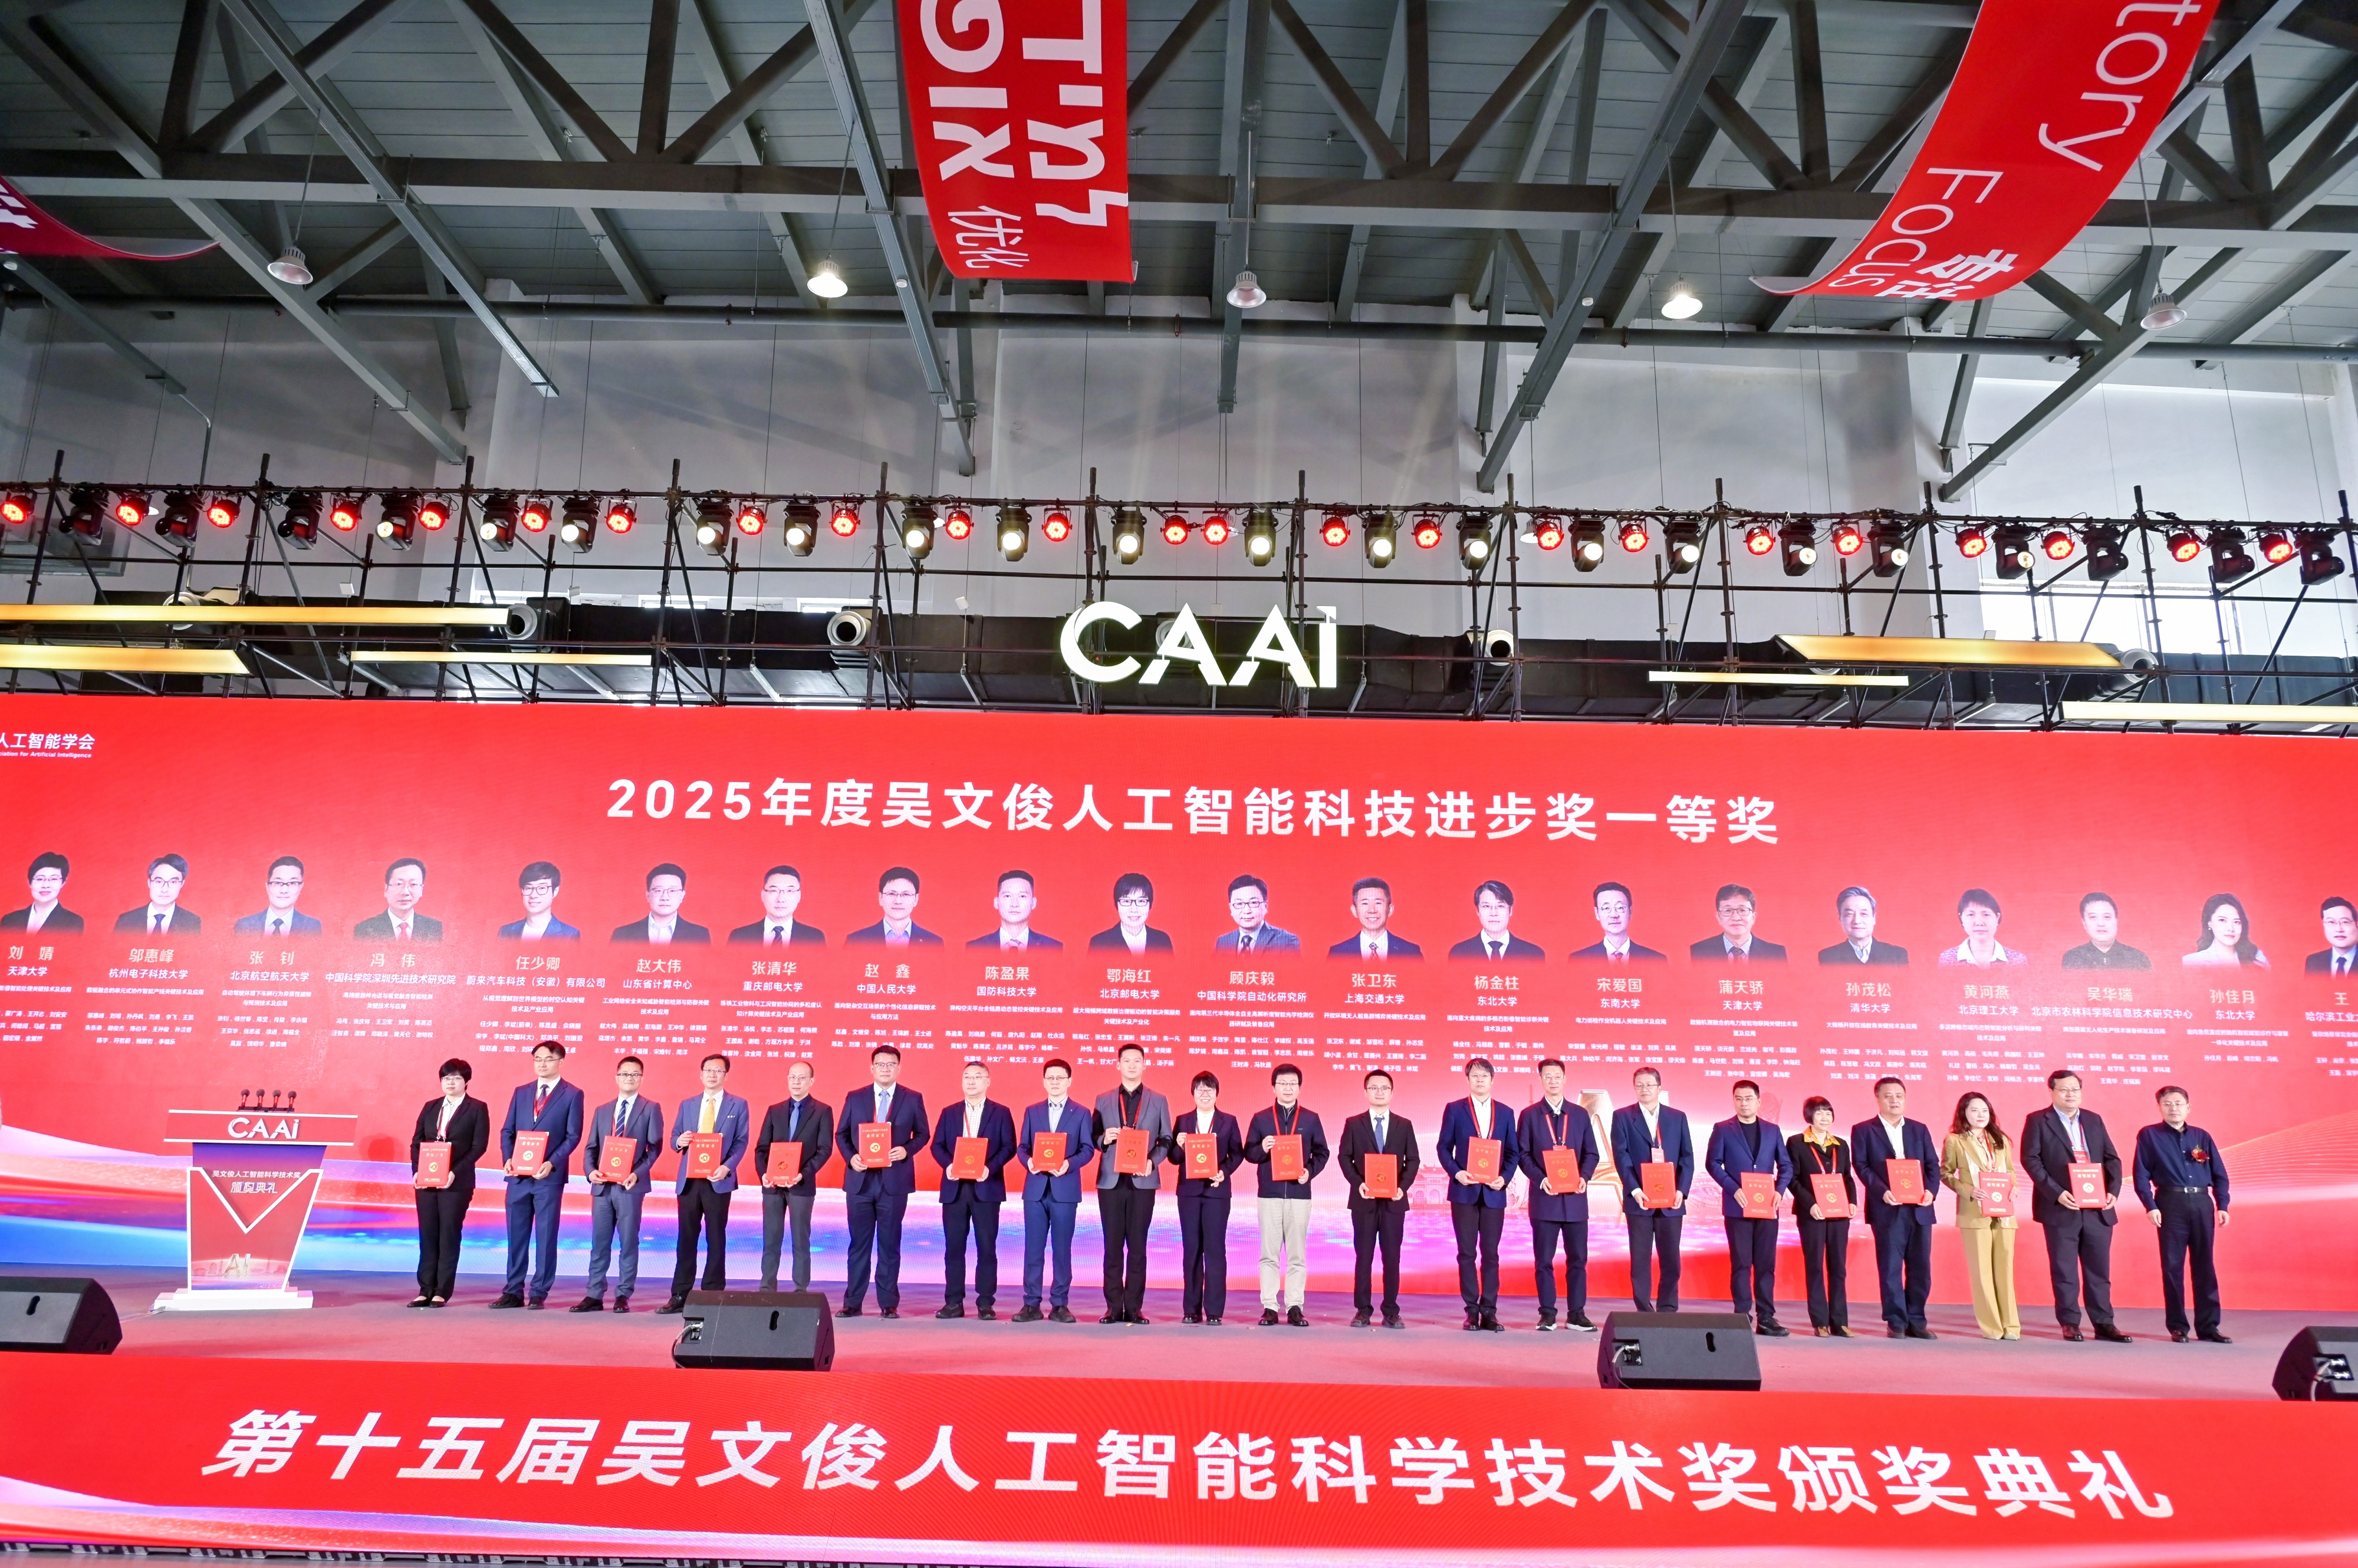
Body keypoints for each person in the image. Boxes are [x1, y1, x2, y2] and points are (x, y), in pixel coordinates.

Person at [2019, 1068, 2128, 1342]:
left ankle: (2104, 1324)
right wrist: (2056, 1193)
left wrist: (2113, 1191)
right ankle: (2070, 1323)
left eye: (2075, 1089)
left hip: (2098, 1208)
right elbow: (2031, 1160)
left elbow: (2112, 1159)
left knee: (2099, 1271)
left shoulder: (2093, 1120)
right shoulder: (2038, 1120)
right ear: (2052, 1092)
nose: (2071, 1094)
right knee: (2064, 1270)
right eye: (2064, 1089)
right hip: (2061, 1207)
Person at [2133, 1084, 2232, 1344]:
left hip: (2201, 1202)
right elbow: (2141, 1175)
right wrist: (2150, 1205)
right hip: (2170, 1202)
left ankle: (2209, 1327)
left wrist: (2222, 1205)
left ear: (2188, 1107)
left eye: (2178, 1104)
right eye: (2167, 1104)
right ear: (2159, 1107)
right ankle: (2178, 1326)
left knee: (2205, 1265)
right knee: (2172, 1266)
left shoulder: (2202, 1136)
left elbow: (2220, 1175)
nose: (2173, 1108)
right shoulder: (2149, 1135)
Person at [835, 1045, 928, 1316]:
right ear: (872, 1068)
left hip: (894, 1183)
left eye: (891, 1064)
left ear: (899, 1068)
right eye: (880, 1064)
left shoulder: (912, 1098)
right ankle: (853, 1303)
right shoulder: (856, 1097)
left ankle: (888, 1303)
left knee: (889, 1244)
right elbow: (841, 1134)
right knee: (859, 1244)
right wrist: (851, 1158)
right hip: (861, 1181)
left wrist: (907, 1150)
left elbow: (923, 1134)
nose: (885, 1068)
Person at [494, 1040, 584, 1309]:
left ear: (561, 1062)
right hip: (518, 1177)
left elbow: (573, 1136)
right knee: (516, 1235)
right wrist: (508, 1158)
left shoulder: (572, 1094)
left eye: (548, 1059)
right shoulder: (521, 1092)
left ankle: (539, 1291)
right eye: (538, 1059)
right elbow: (507, 1131)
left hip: (548, 1177)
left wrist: (552, 1163)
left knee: (546, 1236)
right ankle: (513, 1291)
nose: (542, 1064)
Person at [658, 1053, 751, 1312]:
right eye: (708, 1070)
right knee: (686, 1238)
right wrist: (680, 1141)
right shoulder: (688, 1104)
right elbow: (674, 1137)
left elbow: (741, 1141)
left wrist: (726, 1168)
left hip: (718, 1179)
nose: (712, 1074)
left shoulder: (738, 1105)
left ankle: (712, 1294)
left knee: (716, 1237)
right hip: (689, 1180)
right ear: (701, 1074)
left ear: (726, 1076)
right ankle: (680, 1295)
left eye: (718, 1070)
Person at [572, 1056, 663, 1313]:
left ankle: (623, 1294)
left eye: (634, 1075)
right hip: (602, 1186)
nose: (629, 1079)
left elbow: (654, 1148)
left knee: (628, 1242)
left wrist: (637, 1173)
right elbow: (591, 1147)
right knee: (599, 1242)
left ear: (641, 1078)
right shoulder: (602, 1110)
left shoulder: (651, 1108)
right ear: (617, 1077)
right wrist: (590, 1172)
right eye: (625, 1074)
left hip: (630, 1186)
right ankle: (594, 1294)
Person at [1092, 1043, 1173, 1323]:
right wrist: (1105, 1139)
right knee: (1112, 1246)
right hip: (1111, 1182)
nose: (1132, 1065)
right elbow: (1093, 1137)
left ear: (1144, 1065)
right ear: (1118, 1065)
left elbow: (1166, 1139)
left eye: (1137, 1061)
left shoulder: (1158, 1100)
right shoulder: (1103, 1100)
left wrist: (1152, 1161)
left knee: (1138, 1247)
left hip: (1143, 1181)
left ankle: (1135, 1307)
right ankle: (1114, 1307)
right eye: (1126, 1061)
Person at [1853, 1076, 1939, 1338]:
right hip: (1887, 1208)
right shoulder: (1863, 1130)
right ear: (1877, 1099)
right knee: (1890, 1267)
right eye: (1888, 1096)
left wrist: (1931, 1192)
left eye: (1899, 1095)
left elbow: (1932, 1165)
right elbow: (1862, 1166)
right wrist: (1883, 1191)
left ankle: (1917, 1320)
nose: (1894, 1100)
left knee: (1921, 1267)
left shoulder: (1919, 1129)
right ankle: (1896, 1320)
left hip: (1920, 1208)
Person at [1518, 1058, 1600, 1330]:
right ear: (1541, 1079)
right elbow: (1523, 1155)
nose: (1553, 1081)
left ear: (1565, 1079)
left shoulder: (1579, 1114)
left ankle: (1577, 1314)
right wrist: (1541, 1180)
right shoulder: (1530, 1115)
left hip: (1575, 1200)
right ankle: (1547, 1314)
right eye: (1548, 1076)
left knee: (1578, 1260)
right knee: (1544, 1261)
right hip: (1545, 1199)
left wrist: (1584, 1177)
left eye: (1557, 1076)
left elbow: (1592, 1153)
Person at [1706, 1079, 1793, 1336]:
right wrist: (1734, 1189)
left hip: (1767, 1207)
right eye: (1739, 1099)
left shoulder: (1772, 1130)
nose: (1744, 1103)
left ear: (1758, 1101)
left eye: (1749, 1098)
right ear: (1734, 1101)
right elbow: (1713, 1164)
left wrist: (1779, 1190)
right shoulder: (1723, 1129)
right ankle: (1742, 1315)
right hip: (1738, 1207)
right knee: (1741, 1263)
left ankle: (1767, 1318)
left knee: (1766, 1264)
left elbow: (1786, 1165)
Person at [1244, 1062, 1328, 1325]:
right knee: (1268, 1254)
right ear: (1274, 1087)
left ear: (1299, 1088)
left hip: (1299, 1194)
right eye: (1283, 1083)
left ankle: (1294, 1306)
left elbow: (1322, 1153)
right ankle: (1270, 1307)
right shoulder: (1261, 1118)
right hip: (1269, 1195)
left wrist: (1309, 1172)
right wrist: (1263, 1148)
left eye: (1293, 1084)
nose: (1288, 1088)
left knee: (1297, 1255)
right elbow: (1249, 1153)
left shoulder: (1311, 1119)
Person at [932, 1060, 1017, 1318]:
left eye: (977, 1076)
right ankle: (953, 1302)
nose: (971, 1081)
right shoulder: (949, 1112)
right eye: (967, 1076)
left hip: (986, 1188)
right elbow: (937, 1146)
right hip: (955, 1189)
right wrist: (949, 1165)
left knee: (987, 1247)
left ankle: (986, 1303)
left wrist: (989, 1168)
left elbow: (1009, 1147)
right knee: (954, 1248)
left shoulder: (1001, 1112)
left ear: (988, 1081)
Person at [1437, 1057, 1516, 1330]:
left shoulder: (1505, 1112)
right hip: (1464, 1192)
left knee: (1491, 1254)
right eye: (1475, 1076)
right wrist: (1457, 1173)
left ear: (1492, 1080)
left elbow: (1513, 1153)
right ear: (1468, 1080)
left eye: (1484, 1076)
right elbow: (1443, 1148)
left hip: (1494, 1193)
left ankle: (1490, 1311)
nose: (1480, 1080)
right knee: (1467, 1253)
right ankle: (1471, 1310)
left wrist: (1504, 1178)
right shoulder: (1455, 1109)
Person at [1015, 1059, 1094, 1322]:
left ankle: (1060, 1304)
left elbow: (1087, 1149)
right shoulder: (1032, 1111)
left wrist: (1068, 1164)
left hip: (1065, 1189)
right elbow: (1022, 1147)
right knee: (1033, 1249)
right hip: (1036, 1189)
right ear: (1044, 1081)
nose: (1055, 1082)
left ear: (1069, 1081)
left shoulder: (1081, 1113)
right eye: (1050, 1078)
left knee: (1062, 1249)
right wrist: (1029, 1162)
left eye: (1060, 1078)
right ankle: (1031, 1304)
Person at [1340, 1069, 1419, 1328]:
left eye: (1384, 1088)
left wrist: (1402, 1188)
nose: (1379, 1092)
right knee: (1363, 1257)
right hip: (1364, 1201)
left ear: (1392, 1093)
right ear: (1366, 1093)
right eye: (1374, 1088)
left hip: (1394, 1202)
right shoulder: (1354, 1123)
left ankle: (1391, 1311)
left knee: (1392, 1257)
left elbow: (1413, 1160)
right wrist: (1359, 1184)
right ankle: (1363, 1309)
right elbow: (1344, 1157)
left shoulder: (1404, 1125)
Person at [1610, 1066, 1693, 1312]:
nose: (1644, 1089)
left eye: (1649, 1085)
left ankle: (1668, 1308)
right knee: (1640, 1261)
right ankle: (1644, 1311)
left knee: (1671, 1261)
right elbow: (1621, 1157)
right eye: (1639, 1085)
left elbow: (1687, 1157)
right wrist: (1635, 1190)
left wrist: (1682, 1191)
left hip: (1672, 1201)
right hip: (1639, 1201)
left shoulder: (1677, 1117)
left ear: (1659, 1088)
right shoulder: (1622, 1117)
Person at [1941, 1091, 2021, 1340]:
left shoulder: (2001, 1140)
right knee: (1982, 1272)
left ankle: (2011, 1326)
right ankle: (1992, 1327)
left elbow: (2010, 1171)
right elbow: (1946, 1174)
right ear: (1964, 1113)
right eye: (1974, 1110)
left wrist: (2014, 1186)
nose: (1980, 1115)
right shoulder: (1955, 1140)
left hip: (2004, 1212)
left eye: (1985, 1110)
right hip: (1974, 1213)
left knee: (2005, 1270)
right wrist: (1968, 1190)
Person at [409, 1058, 488, 1307]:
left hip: (456, 1183)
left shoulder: (477, 1108)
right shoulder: (431, 1106)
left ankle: (442, 1291)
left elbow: (479, 1146)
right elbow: (417, 1142)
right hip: (427, 1181)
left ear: (466, 1081)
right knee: (428, 1234)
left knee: (449, 1235)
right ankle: (425, 1290)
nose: (450, 1083)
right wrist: (417, 1171)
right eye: (446, 1078)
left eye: (455, 1078)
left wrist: (454, 1171)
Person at [1169, 1069, 1245, 1324]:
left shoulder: (1228, 1121)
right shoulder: (1183, 1121)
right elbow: (1174, 1158)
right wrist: (1180, 1146)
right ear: (1193, 1093)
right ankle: (1191, 1309)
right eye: (1200, 1089)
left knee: (1215, 1250)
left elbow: (1237, 1153)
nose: (1205, 1093)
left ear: (1216, 1093)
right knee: (1191, 1249)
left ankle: (1214, 1310)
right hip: (1189, 1193)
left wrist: (1224, 1172)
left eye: (1209, 1089)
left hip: (1216, 1192)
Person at [755, 1060, 834, 1292]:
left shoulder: (823, 1111)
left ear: (811, 1081)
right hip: (772, 1186)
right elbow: (761, 1148)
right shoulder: (775, 1110)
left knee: (801, 1240)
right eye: (792, 1077)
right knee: (771, 1239)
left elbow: (825, 1150)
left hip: (801, 1185)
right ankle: (767, 1289)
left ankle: (800, 1291)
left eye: (802, 1078)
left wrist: (803, 1174)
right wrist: (764, 1175)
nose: (796, 1082)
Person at [1785, 1098, 1853, 1336]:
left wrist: (1852, 1202)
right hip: (1812, 1213)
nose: (1825, 1118)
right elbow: (1792, 1179)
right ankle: (1820, 1321)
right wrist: (1811, 1204)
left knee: (1838, 1268)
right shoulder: (1797, 1142)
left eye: (1828, 1113)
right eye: (1819, 1113)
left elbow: (1847, 1177)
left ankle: (1840, 1321)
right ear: (1809, 1116)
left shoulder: (1841, 1144)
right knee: (1815, 1266)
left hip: (1839, 1214)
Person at [612, 863, 711, 944]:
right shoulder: (622, 934)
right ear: (648, 896)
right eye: (658, 891)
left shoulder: (700, 935)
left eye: (672, 891)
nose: (665, 898)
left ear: (682, 896)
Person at [1568, 881, 1665, 963]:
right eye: (1606, 908)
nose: (1614, 915)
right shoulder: (1578, 960)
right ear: (1597, 913)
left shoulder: (1656, 960)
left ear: (1630, 912)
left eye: (1620, 908)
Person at [1328, 876, 1424, 959]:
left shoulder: (1411, 952)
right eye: (1365, 903)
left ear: (1390, 910)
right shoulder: (1338, 953)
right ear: (1355, 911)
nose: (1372, 910)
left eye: (1378, 903)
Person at [729, 865, 826, 947]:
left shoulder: (815, 938)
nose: (781, 899)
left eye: (790, 891)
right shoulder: (739, 937)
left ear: (799, 896)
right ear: (763, 895)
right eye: (774, 891)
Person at [845, 866, 943, 946]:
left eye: (906, 894)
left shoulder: (934, 942)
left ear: (916, 899)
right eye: (892, 894)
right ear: (881, 898)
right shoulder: (856, 941)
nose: (898, 901)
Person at [967, 869, 1063, 951]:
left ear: (1034, 903)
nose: (1014, 904)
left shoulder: (1054, 948)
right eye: (1007, 896)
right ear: (996, 902)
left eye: (1022, 896)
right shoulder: (974, 948)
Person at [1449, 879, 1544, 961]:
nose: (1494, 913)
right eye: (1486, 906)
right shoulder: (1459, 953)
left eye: (1500, 906)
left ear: (1510, 911)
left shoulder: (1534, 954)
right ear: (1478, 911)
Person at [1689, 884, 1785, 961]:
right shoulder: (1698, 952)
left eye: (1742, 910)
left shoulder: (1776, 954)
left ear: (1753, 917)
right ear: (1718, 917)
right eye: (1728, 911)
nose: (1736, 918)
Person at [1817, 886, 1907, 965]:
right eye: (1849, 914)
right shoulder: (1828, 957)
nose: (1857, 921)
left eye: (1864, 914)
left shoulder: (1897, 955)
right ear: (1840, 918)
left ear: (1874, 918)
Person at [232, 856, 320, 937]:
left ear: (300, 887)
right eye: (278, 883)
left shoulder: (312, 927)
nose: (284, 891)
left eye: (293, 883)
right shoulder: (245, 925)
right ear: (268, 887)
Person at [354, 858, 438, 942]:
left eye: (413, 884)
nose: (405, 892)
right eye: (399, 884)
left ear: (421, 890)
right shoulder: (364, 930)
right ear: (386, 890)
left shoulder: (435, 928)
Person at [1938, 888, 2025, 968]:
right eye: (1971, 915)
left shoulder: (2017, 961)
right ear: (1961, 918)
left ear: (1997, 918)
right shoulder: (1948, 959)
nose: (1979, 923)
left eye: (1986, 915)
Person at [1090, 871, 1175, 953]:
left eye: (1141, 901)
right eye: (1126, 901)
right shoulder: (1099, 944)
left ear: (1150, 904)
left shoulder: (1163, 941)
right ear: (1117, 904)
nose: (1134, 909)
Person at [115, 854, 200, 934]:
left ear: (182, 884)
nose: (165, 889)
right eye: (159, 882)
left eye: (173, 882)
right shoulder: (126, 920)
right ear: (149, 883)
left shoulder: (192, 922)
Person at [2060, 892, 2148, 970]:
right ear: (2084, 923)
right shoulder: (2073, 958)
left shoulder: (2138, 958)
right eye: (2093, 917)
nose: (2101, 923)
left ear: (2116, 921)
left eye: (2107, 917)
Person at [3, 851, 82, 934]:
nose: (45, 885)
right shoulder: (9, 921)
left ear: (63, 883)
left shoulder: (74, 923)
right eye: (40, 879)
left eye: (54, 879)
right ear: (30, 882)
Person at [1216, 875, 1300, 953]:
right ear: (1231, 908)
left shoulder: (1286, 942)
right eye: (1239, 904)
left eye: (1253, 903)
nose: (1247, 911)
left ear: (1265, 906)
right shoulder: (1223, 943)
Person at [2183, 893, 2268, 969]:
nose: (2231, 928)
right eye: (2222, 920)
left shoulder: (2259, 959)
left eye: (2237, 922)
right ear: (2209, 923)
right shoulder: (2191, 962)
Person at [498, 861, 579, 941]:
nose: (533, 895)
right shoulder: (505, 932)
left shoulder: (570, 935)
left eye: (542, 888)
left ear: (555, 891)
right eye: (528, 888)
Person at [2305, 895, 2358, 976]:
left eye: (2345, 922)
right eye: (2331, 922)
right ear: (2324, 924)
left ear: (2356, 924)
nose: (2339, 929)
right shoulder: (2314, 962)